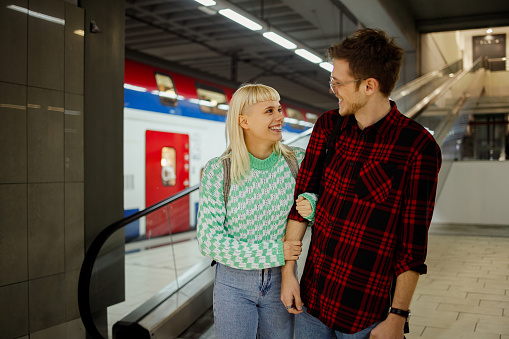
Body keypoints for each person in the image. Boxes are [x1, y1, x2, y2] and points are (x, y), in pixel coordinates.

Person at [281, 28, 442, 339]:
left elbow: (412, 245)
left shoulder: (417, 146)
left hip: (366, 312)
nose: (333, 90)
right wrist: (289, 272)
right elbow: (302, 200)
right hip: (312, 299)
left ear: (370, 85)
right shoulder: (328, 127)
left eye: (338, 83)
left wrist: (397, 317)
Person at [197, 83, 317, 339]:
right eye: (269, 111)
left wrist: (314, 206)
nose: (280, 116)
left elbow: (332, 205)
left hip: (282, 280)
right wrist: (276, 251)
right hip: (232, 284)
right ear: (244, 121)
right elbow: (209, 241)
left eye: (279, 108)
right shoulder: (219, 171)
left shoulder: (297, 161)